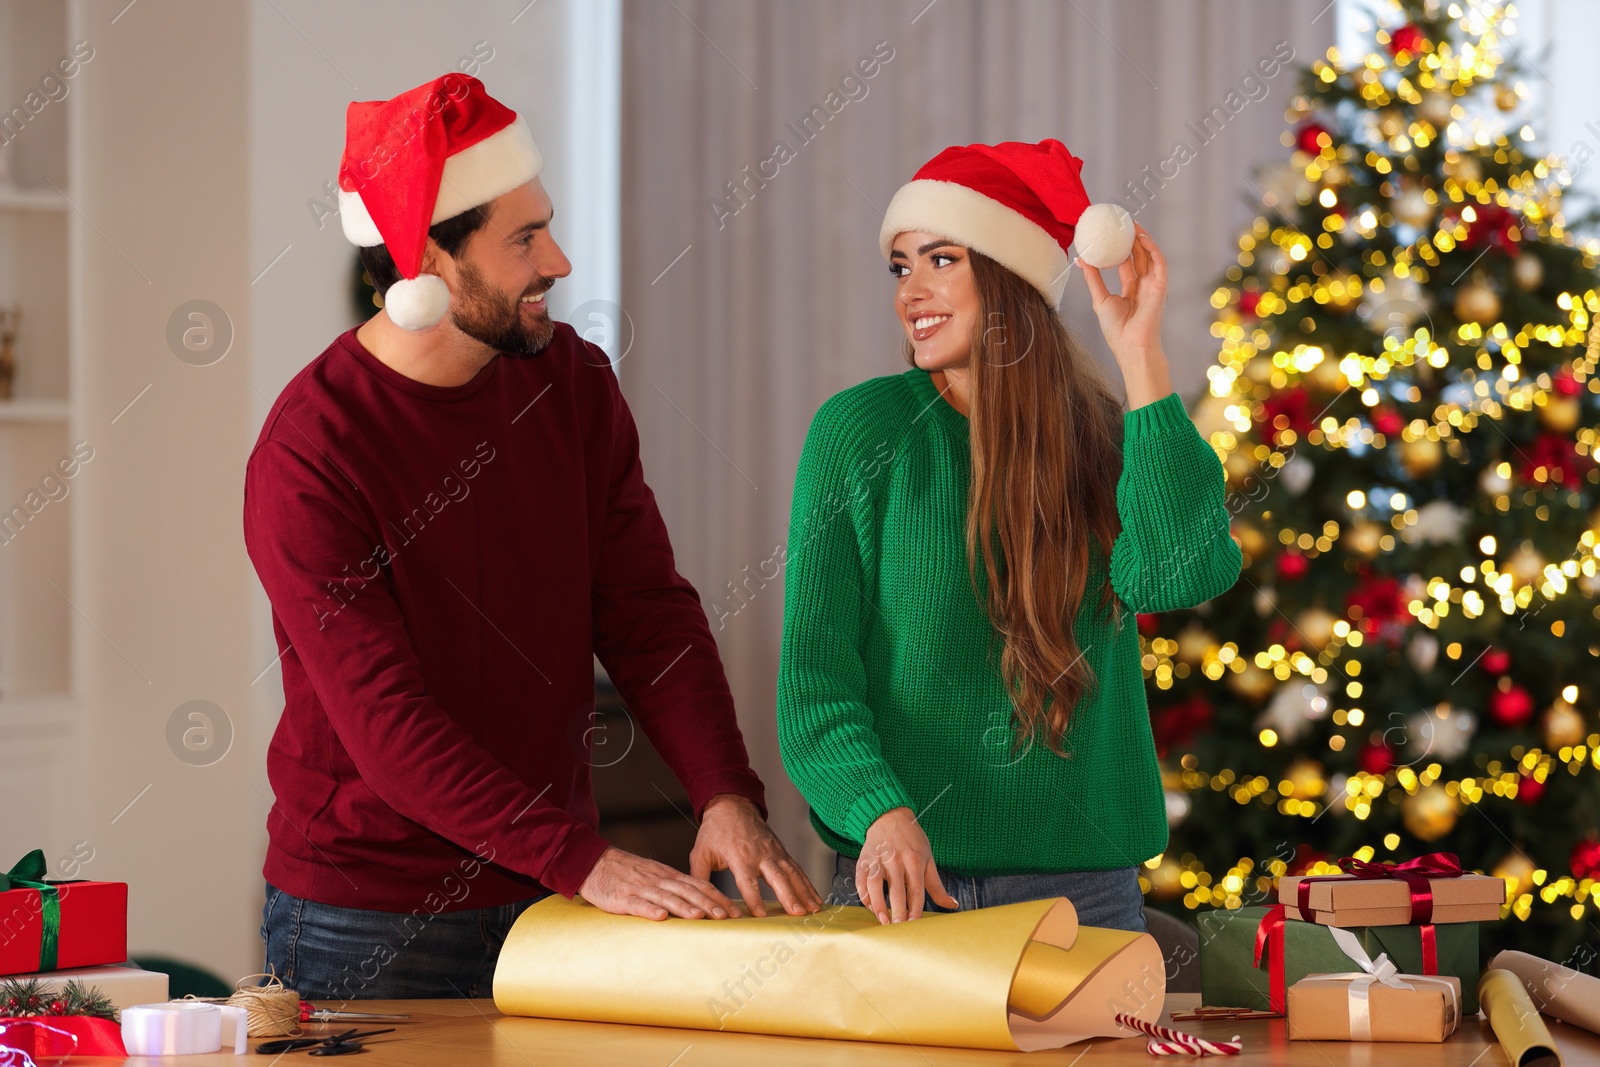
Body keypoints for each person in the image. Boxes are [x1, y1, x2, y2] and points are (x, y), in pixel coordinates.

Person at [245, 73, 820, 1000]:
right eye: (523, 238)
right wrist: (587, 862)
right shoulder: (311, 451)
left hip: (544, 901)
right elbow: (389, 725)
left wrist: (725, 792)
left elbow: (647, 613)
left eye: (545, 224)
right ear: (430, 258)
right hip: (366, 920)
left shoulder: (573, 382)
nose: (557, 259)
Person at [776, 139, 1242, 930]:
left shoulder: (1105, 434)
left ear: (1011, 278)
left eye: (940, 260)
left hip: (1083, 895)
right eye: (899, 267)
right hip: (901, 887)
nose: (909, 292)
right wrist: (878, 811)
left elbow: (1176, 574)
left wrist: (1141, 359)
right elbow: (815, 682)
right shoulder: (857, 434)